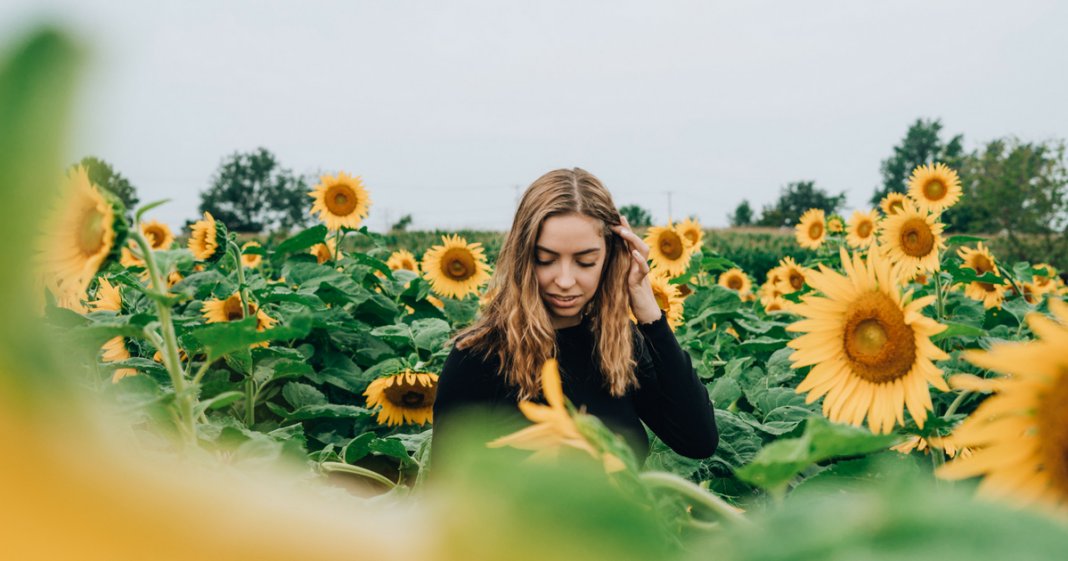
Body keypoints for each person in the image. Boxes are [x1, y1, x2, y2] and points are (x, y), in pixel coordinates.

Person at [429, 168, 718, 474]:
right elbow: (447, 496)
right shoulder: (479, 357)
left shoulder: (620, 346)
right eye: (546, 259)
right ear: (523, 258)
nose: (565, 280)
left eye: (585, 262)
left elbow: (697, 440)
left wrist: (649, 313)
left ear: (610, 258)